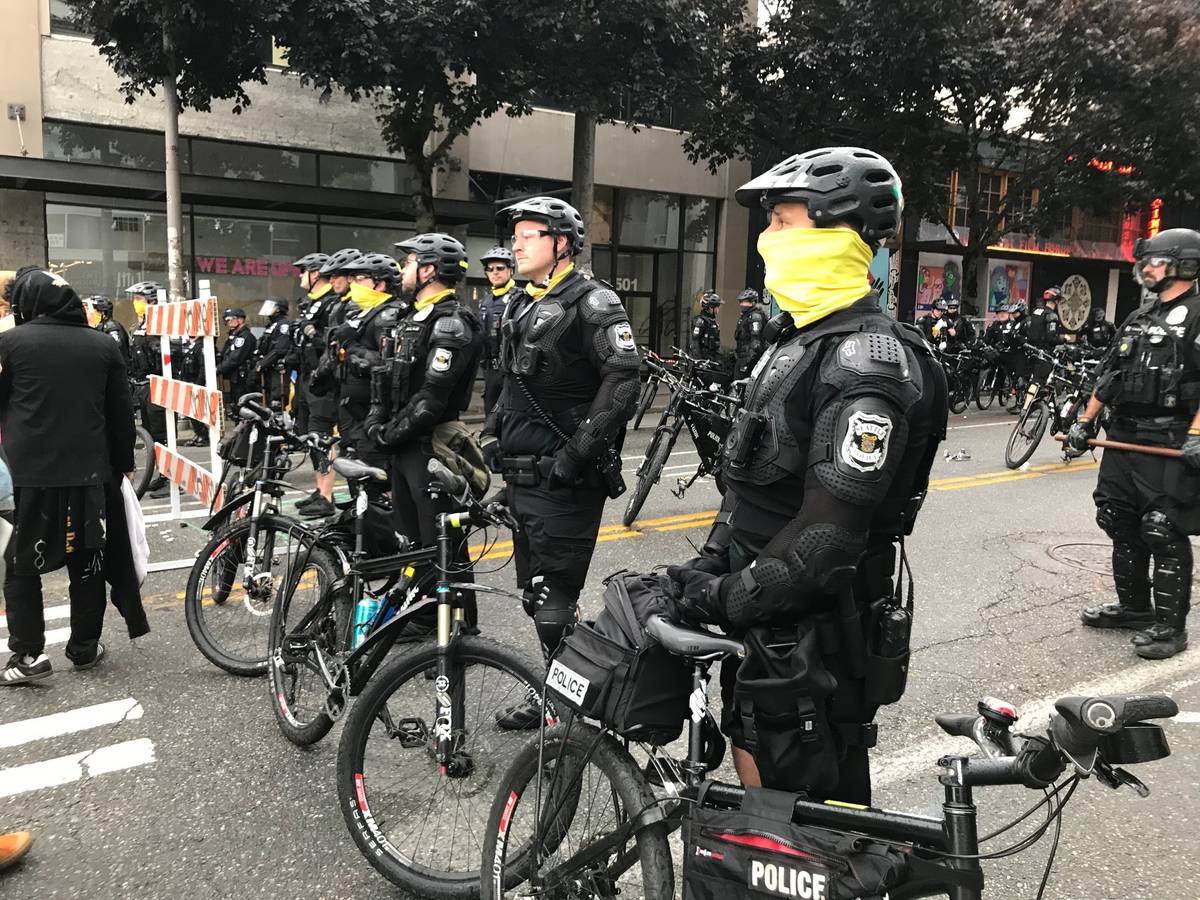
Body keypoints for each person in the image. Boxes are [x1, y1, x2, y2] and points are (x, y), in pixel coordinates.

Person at [666, 147, 947, 804]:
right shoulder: (795, 341)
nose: (768, 240)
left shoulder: (868, 363)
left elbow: (826, 544)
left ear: (840, 233)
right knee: (757, 778)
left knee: (801, 824)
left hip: (815, 634)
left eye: (783, 222)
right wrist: (705, 569)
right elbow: (751, 487)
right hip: (766, 616)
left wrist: (721, 598)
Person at [482, 196, 641, 703]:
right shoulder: (521, 299)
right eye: (517, 235)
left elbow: (623, 380)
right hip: (524, 477)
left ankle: (569, 711)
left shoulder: (593, 302)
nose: (518, 244)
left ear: (562, 243)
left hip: (563, 481)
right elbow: (510, 381)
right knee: (537, 598)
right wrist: (491, 432)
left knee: (554, 602)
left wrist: (575, 458)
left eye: (530, 235)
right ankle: (557, 691)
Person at [0, 269, 145, 683]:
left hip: (28, 474)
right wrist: (122, 469)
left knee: (21, 565)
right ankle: (83, 647)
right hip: (90, 475)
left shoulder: (9, 344)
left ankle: (27, 656)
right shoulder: (102, 346)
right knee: (88, 561)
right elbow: (121, 417)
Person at [1068, 228, 1200, 660]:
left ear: (1183, 265)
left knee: (1161, 529)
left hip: (1170, 438)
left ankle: (1169, 628)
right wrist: (1085, 423)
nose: (1145, 269)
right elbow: (1109, 376)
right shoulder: (1139, 316)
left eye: (1155, 261)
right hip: (1122, 437)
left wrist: (1197, 435)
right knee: (1117, 520)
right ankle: (1134, 609)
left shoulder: (1198, 315)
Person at [369, 234, 481, 560]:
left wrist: (387, 434)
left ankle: (450, 613)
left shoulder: (451, 323)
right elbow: (386, 375)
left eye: (409, 262)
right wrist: (377, 421)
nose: (403, 270)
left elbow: (430, 400)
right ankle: (419, 612)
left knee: (444, 555)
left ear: (429, 270)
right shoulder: (410, 317)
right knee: (412, 550)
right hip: (403, 449)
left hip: (432, 450)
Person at [125, 281, 170, 497]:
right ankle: (162, 475)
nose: (135, 303)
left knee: (163, 433)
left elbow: (167, 355)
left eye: (139, 299)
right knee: (152, 433)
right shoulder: (142, 324)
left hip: (158, 385)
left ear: (151, 301)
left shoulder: (161, 323)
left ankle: (171, 478)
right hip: (144, 386)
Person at [478, 246, 520, 415]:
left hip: (509, 371)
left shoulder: (519, 298)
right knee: (490, 415)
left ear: (511, 270)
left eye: (500, 268)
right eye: (490, 269)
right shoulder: (485, 301)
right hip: (489, 372)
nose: (494, 272)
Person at [254, 297, 295, 408]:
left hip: (278, 369)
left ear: (278, 309)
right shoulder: (272, 325)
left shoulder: (283, 325)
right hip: (269, 369)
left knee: (277, 401)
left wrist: (263, 363)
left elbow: (280, 350)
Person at [217, 307, 258, 411]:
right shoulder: (234, 336)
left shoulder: (245, 337)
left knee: (244, 406)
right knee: (237, 405)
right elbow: (225, 354)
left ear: (240, 320)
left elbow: (235, 358)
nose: (228, 323)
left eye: (230, 319)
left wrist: (219, 369)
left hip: (244, 377)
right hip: (235, 377)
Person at [732, 288, 768, 378]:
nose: (742, 304)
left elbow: (756, 343)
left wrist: (749, 362)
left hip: (748, 360)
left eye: (745, 302)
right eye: (741, 302)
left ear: (753, 302)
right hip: (742, 358)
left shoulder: (755, 317)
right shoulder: (745, 316)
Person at [87, 295, 131, 365]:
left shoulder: (111, 327)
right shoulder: (96, 327)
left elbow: (117, 352)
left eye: (89, 310)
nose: (87, 313)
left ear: (102, 313)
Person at [690, 290, 723, 363]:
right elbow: (695, 344)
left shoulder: (712, 322)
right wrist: (699, 361)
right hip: (703, 361)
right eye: (717, 306)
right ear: (710, 308)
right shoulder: (700, 322)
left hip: (712, 360)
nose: (718, 309)